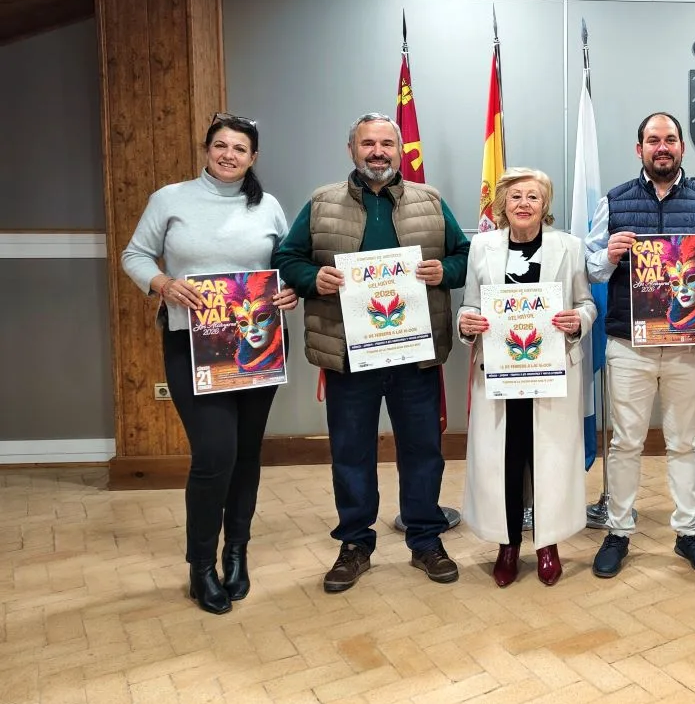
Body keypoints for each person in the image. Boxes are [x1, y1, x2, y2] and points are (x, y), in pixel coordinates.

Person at [273, 112, 470, 593]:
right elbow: (287, 257)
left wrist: (444, 272)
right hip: (349, 354)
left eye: (386, 143)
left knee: (422, 450)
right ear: (352, 150)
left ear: (399, 150)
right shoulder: (322, 203)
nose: (378, 152)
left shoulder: (430, 200)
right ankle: (355, 544)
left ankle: (425, 539)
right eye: (368, 144)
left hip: (414, 353)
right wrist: (312, 278)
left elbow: (465, 256)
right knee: (351, 452)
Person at [122, 113, 298, 615]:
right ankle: (200, 565)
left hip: (259, 344)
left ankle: (236, 551)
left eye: (239, 148)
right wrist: (162, 284)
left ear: (253, 157)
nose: (228, 155)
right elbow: (135, 255)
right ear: (206, 150)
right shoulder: (170, 199)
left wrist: (290, 290)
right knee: (214, 453)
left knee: (246, 453)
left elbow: (288, 263)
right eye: (220, 145)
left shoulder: (268, 206)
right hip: (192, 343)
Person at [585, 112, 695, 578]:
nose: (662, 147)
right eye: (653, 140)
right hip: (629, 344)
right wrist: (608, 254)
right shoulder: (614, 202)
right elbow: (589, 268)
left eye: (670, 139)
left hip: (688, 344)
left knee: (683, 442)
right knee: (625, 441)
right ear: (640, 149)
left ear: (682, 147)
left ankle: (689, 533)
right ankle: (618, 531)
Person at [456, 168, 597, 586]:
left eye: (533, 197)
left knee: (548, 457)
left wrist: (578, 320)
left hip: (551, 372)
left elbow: (586, 303)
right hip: (499, 375)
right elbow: (469, 306)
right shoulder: (481, 247)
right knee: (506, 458)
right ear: (503, 203)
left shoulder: (569, 246)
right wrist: (467, 323)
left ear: (544, 204)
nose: (524, 204)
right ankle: (508, 544)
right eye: (516, 196)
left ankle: (548, 544)